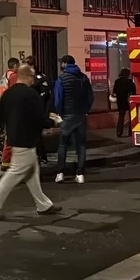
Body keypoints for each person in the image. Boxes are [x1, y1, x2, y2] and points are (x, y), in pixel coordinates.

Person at [0, 64, 60, 220]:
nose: (33, 81)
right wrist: (53, 123)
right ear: (27, 77)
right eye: (32, 77)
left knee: (32, 174)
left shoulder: (8, 94)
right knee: (15, 173)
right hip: (27, 140)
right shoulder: (32, 95)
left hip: (14, 138)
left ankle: (44, 205)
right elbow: (39, 118)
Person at [53, 54, 94, 184]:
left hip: (67, 115)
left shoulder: (62, 79)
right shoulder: (83, 78)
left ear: (64, 64)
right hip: (81, 115)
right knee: (81, 145)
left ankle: (60, 173)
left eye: (62, 63)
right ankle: (80, 174)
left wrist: (60, 113)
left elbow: (58, 99)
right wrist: (85, 110)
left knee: (63, 144)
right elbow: (90, 97)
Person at [24, 55, 54, 164]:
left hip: (38, 110)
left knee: (36, 134)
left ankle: (41, 155)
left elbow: (45, 97)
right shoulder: (27, 79)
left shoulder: (40, 79)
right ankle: (38, 155)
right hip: (29, 110)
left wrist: (45, 113)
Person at [0, 57, 20, 171]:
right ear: (15, 66)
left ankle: (7, 162)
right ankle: (7, 162)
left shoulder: (5, 76)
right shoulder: (14, 77)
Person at [112, 68, 137, 137]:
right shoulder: (130, 82)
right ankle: (130, 132)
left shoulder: (117, 81)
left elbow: (114, 92)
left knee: (121, 117)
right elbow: (134, 93)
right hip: (129, 101)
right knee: (131, 117)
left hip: (120, 102)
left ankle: (119, 132)